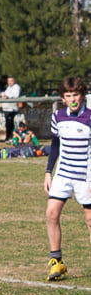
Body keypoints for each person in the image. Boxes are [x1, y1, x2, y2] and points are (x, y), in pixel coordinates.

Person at [42, 76, 91, 282]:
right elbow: (55, 145)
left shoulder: (89, 117)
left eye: (76, 95)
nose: (73, 99)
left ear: (82, 96)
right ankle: (56, 262)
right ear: (63, 98)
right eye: (68, 95)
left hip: (85, 175)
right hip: (63, 174)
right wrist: (48, 172)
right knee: (51, 215)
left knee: (90, 220)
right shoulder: (58, 117)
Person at [0, 76, 21, 142]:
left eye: (11, 81)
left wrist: (8, 96)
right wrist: (2, 94)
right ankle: (8, 137)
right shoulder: (8, 88)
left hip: (12, 108)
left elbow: (15, 95)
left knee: (10, 123)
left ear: (14, 81)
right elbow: (5, 94)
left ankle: (11, 137)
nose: (10, 82)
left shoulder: (16, 87)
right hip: (6, 108)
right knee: (8, 123)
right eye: (8, 81)